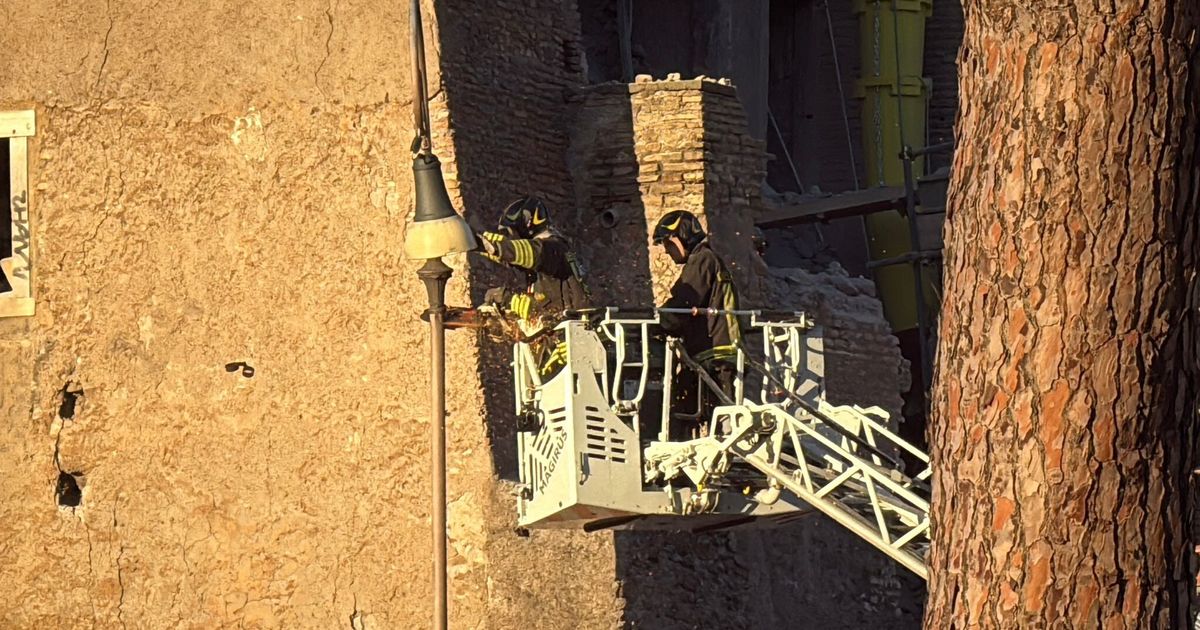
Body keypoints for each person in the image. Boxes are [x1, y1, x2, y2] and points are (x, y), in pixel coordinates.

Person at [474, 195, 591, 377]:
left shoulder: (554, 248)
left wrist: (499, 247)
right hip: (560, 343)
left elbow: (531, 253)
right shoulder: (548, 266)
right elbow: (546, 305)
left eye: (513, 235)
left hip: (571, 343)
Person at [651, 210, 742, 435]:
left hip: (715, 354)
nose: (666, 251)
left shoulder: (702, 259)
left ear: (679, 237)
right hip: (712, 353)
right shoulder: (707, 259)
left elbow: (683, 301)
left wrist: (656, 323)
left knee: (720, 423)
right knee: (695, 410)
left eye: (666, 243)